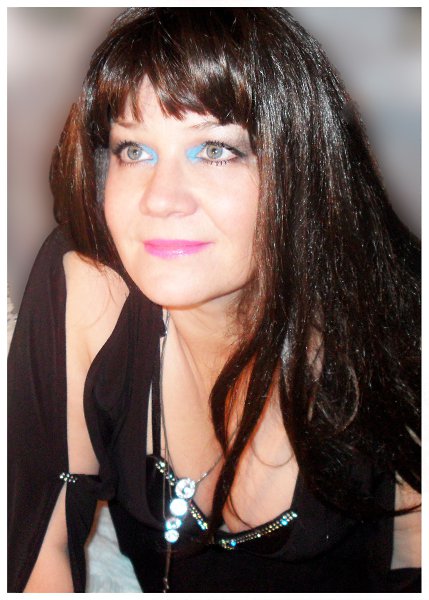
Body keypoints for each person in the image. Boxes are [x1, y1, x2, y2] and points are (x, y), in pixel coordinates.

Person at [8, 8, 421, 593]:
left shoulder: (391, 321)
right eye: (134, 150)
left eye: (215, 150)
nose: (161, 199)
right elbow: (38, 540)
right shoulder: (87, 288)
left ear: (302, 169)